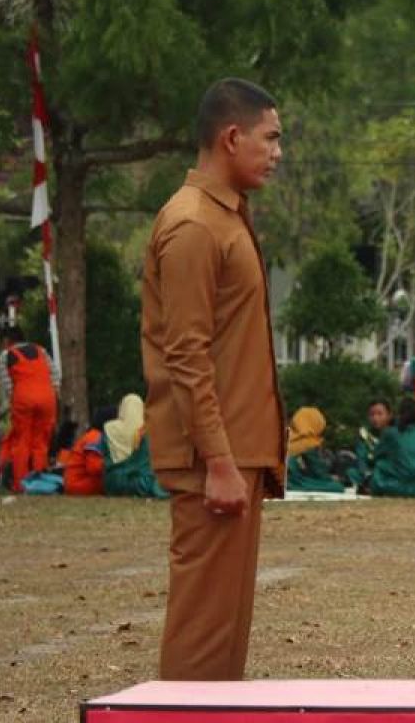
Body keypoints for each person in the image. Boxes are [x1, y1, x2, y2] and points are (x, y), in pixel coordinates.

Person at [140, 77, 285, 681]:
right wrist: (220, 461)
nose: (278, 152)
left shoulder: (224, 216)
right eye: (270, 138)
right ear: (231, 137)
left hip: (235, 453)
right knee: (203, 633)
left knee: (225, 632)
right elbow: (187, 354)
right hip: (213, 459)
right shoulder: (194, 225)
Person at [0, 325, 60, 493]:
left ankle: (21, 484)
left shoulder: (6, 355)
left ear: (6, 341)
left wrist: (14, 402)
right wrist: (52, 395)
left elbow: (8, 386)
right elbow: (55, 376)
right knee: (41, 442)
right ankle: (38, 481)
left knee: (21, 441)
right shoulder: (41, 351)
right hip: (47, 398)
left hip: (24, 398)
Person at [369, 396, 415, 498]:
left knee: (380, 465)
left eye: (379, 414)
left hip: (399, 486)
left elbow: (376, 456)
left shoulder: (390, 433)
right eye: (373, 414)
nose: (375, 418)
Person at [285, 407, 345, 493]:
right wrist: (330, 478)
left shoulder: (289, 437)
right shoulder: (309, 442)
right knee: (337, 487)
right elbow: (317, 471)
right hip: (291, 480)